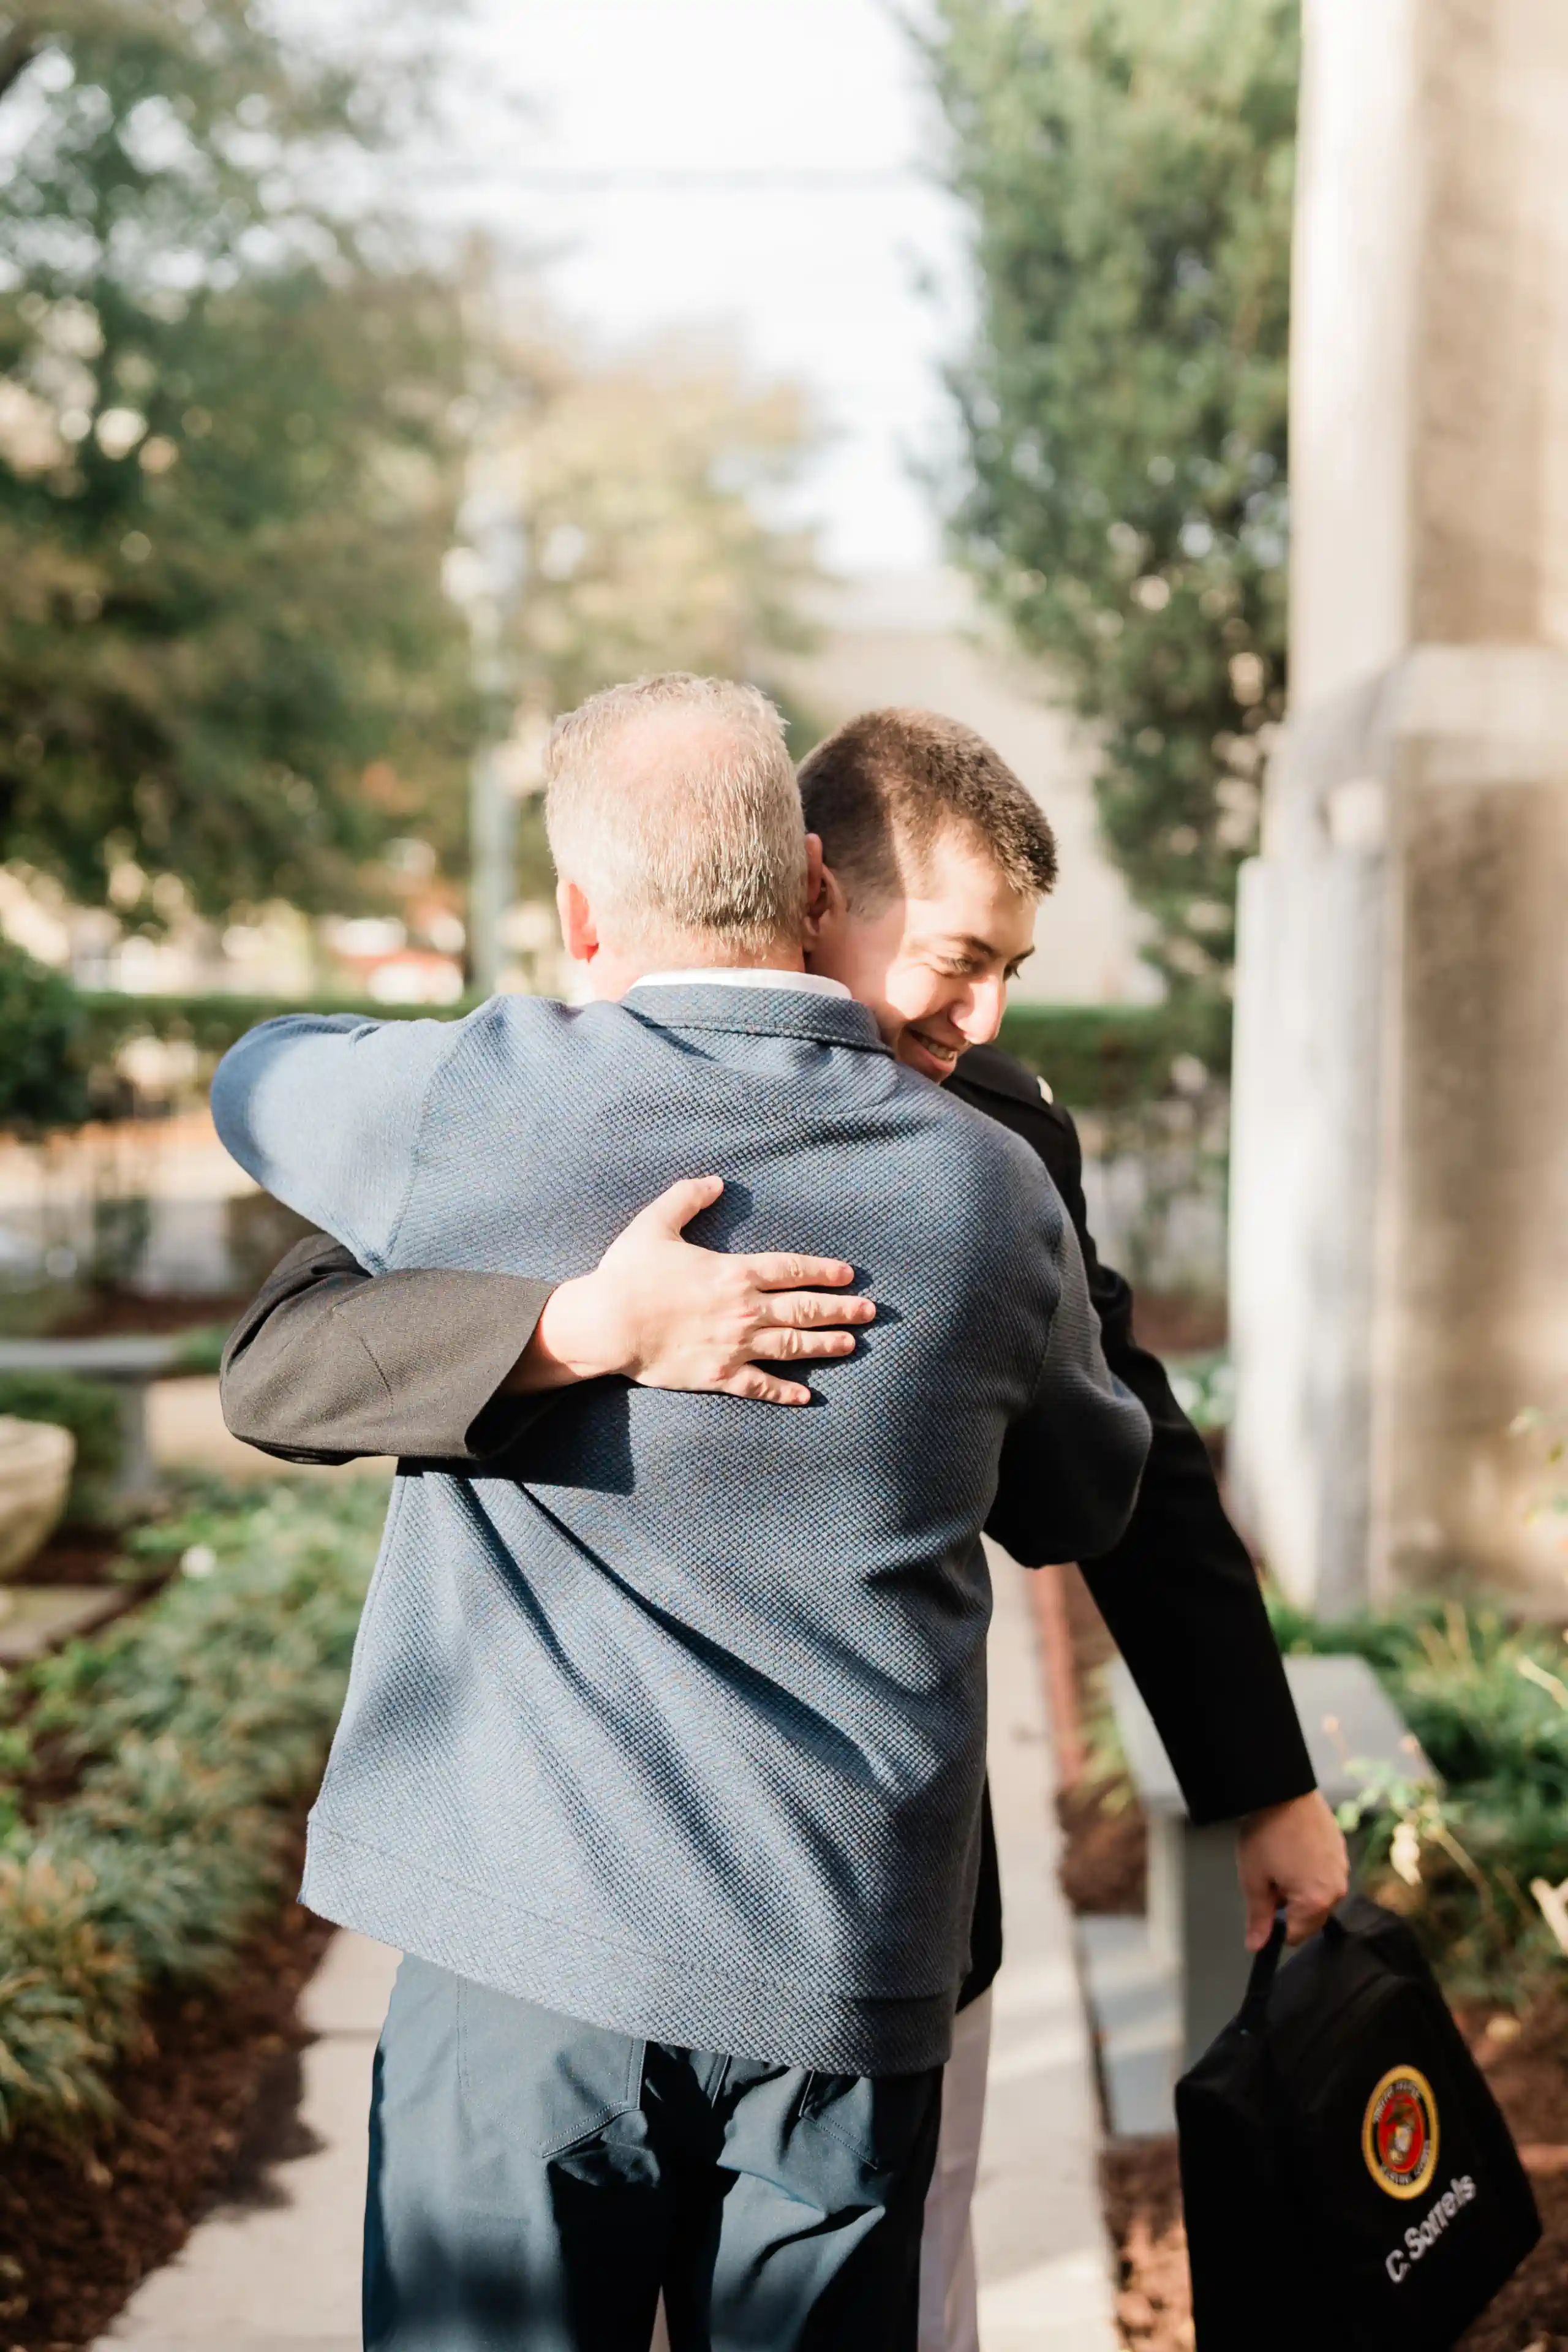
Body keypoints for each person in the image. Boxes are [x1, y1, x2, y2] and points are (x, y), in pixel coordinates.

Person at [221, 703, 1349, 2352]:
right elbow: (288, 1355)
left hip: (851, 1941)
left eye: (1015, 972)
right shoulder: (539, 1100)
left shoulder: (991, 1145)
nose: (986, 1013)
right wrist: (575, 1327)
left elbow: (1143, 1483)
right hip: (585, 1938)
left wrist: (1266, 1779)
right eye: (962, 958)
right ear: (814, 893)